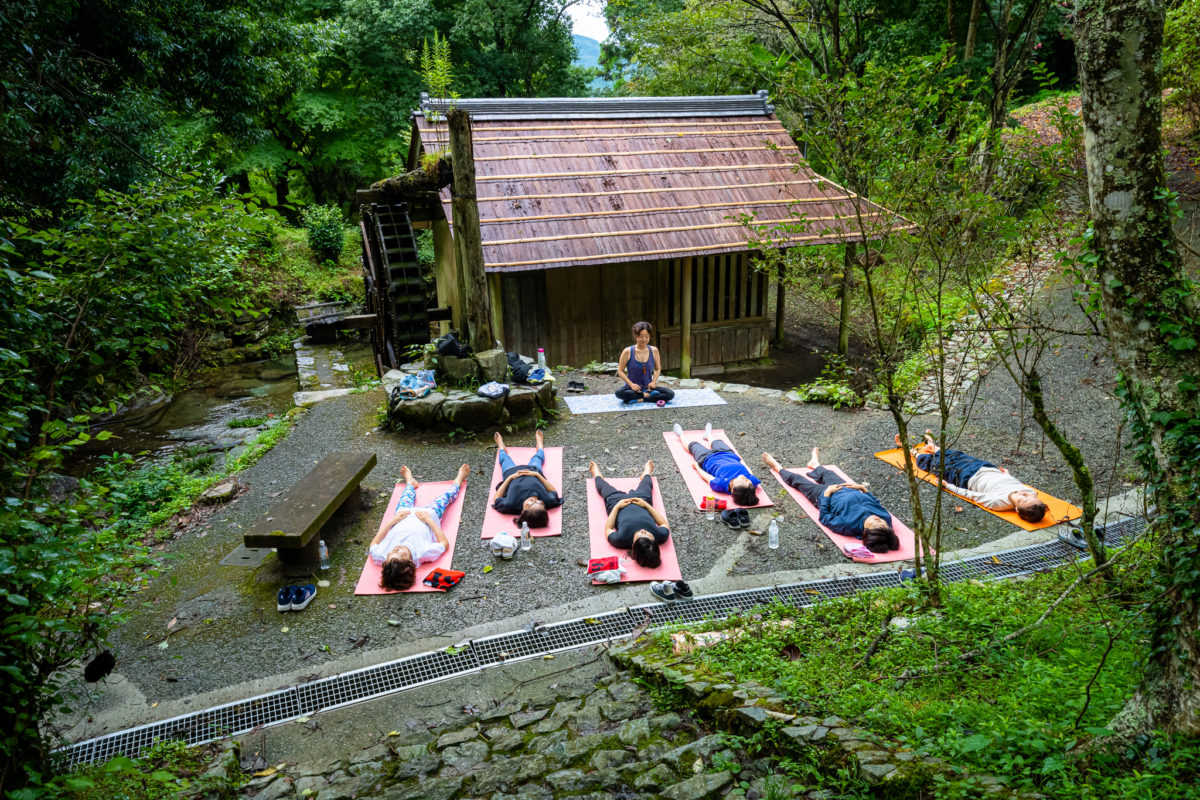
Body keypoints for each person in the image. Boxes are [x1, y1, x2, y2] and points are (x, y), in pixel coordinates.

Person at [762, 449, 900, 553]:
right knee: (829, 474)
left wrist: (827, 495)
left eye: (875, 524)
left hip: (823, 496)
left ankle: (777, 467)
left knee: (798, 481)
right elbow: (875, 502)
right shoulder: (885, 518)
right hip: (847, 489)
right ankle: (815, 464)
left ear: (865, 531)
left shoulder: (848, 525)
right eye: (882, 522)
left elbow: (825, 518)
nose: (878, 519)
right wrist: (863, 489)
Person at [898, 431, 1048, 523]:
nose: (1024, 494)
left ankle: (908, 449)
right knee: (957, 455)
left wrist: (947, 486)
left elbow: (972, 495)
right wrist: (1007, 475)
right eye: (1028, 494)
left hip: (966, 478)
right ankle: (932, 446)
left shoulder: (998, 503)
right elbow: (1016, 484)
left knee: (934, 464)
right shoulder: (1032, 493)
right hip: (986, 468)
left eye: (1023, 499)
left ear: (1016, 509)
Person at [370, 463, 470, 591]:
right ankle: (458, 480)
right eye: (399, 553)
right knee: (445, 498)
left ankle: (410, 482)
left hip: (403, 514)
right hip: (429, 514)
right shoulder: (423, 554)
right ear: (409, 564)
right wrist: (429, 521)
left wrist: (392, 521)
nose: (396, 549)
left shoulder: (382, 557)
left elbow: (374, 543)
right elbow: (444, 543)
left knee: (405, 497)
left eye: (392, 552)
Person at [590, 459, 670, 568]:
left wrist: (618, 506)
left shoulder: (620, 540)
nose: (643, 531)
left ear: (633, 546)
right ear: (654, 542)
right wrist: (646, 505)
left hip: (616, 502)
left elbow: (608, 529)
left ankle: (597, 474)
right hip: (641, 500)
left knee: (603, 488)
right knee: (647, 485)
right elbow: (663, 525)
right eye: (648, 535)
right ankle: (647, 472)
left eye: (641, 536)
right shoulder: (660, 536)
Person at [673, 423, 761, 506]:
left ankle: (681, 435)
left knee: (693, 445)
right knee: (716, 441)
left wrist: (697, 467)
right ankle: (708, 435)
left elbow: (707, 477)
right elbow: (749, 471)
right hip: (728, 454)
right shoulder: (751, 484)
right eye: (748, 481)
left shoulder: (721, 484)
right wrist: (740, 460)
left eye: (743, 481)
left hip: (706, 459)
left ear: (733, 489)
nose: (745, 478)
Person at [491, 430, 562, 528]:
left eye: (530, 504)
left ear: (523, 511)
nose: (535, 500)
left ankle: (500, 446)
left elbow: (496, 498)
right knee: (538, 457)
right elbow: (552, 490)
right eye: (540, 503)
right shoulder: (549, 500)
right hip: (533, 470)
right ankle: (540, 444)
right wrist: (536, 475)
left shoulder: (510, 504)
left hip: (511, 472)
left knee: (504, 458)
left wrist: (511, 478)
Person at [616, 321, 675, 405]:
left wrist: (653, 382)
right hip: (632, 389)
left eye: (646, 336)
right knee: (619, 392)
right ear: (636, 336)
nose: (644, 339)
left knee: (670, 394)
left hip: (649, 388)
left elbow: (657, 369)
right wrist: (631, 384)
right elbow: (620, 371)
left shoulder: (654, 350)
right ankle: (648, 397)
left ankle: (640, 399)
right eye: (641, 336)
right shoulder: (627, 351)